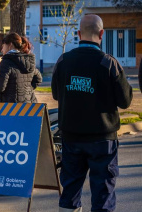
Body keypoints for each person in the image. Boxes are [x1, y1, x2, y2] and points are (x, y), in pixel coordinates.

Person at [51, 14, 133, 212]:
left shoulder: (63, 61)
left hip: (71, 138)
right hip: (102, 141)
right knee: (103, 194)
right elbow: (125, 101)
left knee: (70, 191)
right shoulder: (109, 64)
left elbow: (56, 94)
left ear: (78, 34)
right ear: (102, 34)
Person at [0, 32, 42, 103]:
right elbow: (39, 78)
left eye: (3, 46)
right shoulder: (28, 61)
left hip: (11, 107)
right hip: (29, 105)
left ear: (10, 45)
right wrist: (27, 90)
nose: (1, 50)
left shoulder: (6, 62)